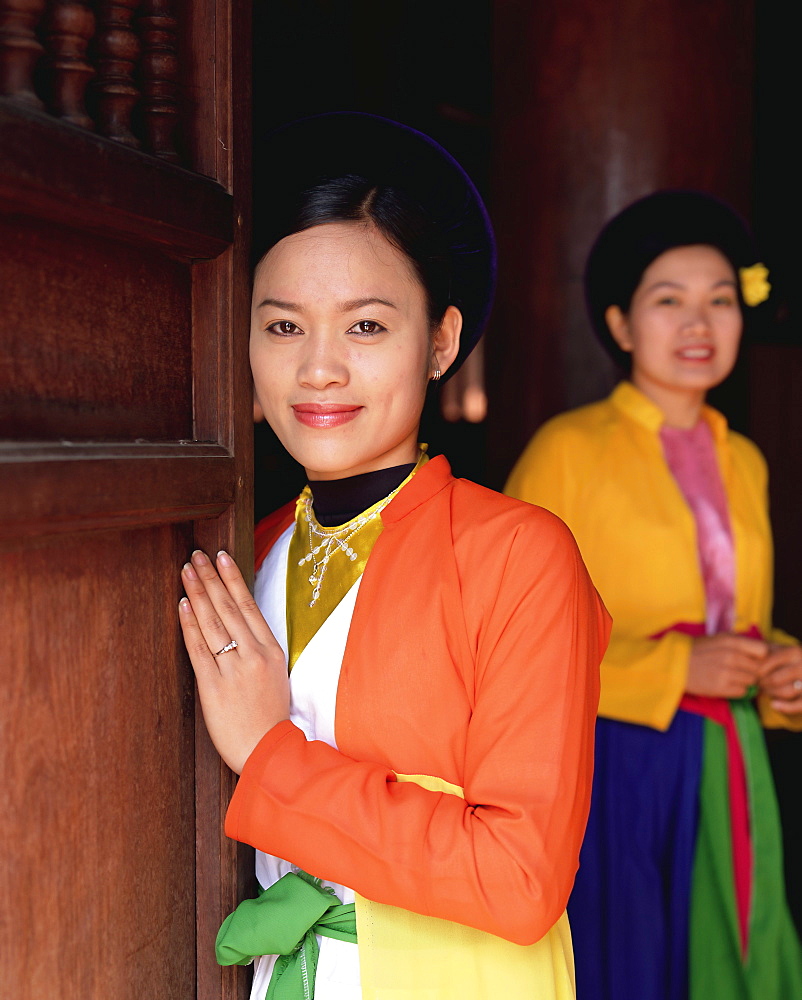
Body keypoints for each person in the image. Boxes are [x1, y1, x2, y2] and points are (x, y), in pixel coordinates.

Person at [177, 113, 610, 1000]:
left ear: (442, 341)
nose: (320, 370)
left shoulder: (520, 558)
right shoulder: (244, 555)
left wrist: (271, 753)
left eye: (366, 328)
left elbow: (520, 880)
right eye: (284, 327)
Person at [505, 190, 802, 1000]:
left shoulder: (745, 460)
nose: (699, 323)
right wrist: (672, 670)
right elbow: (510, 639)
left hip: (730, 754)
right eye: (669, 302)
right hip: (619, 762)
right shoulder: (568, 450)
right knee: (632, 962)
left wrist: (779, 667)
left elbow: (736, 614)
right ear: (624, 326)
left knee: (733, 960)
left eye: (720, 301)